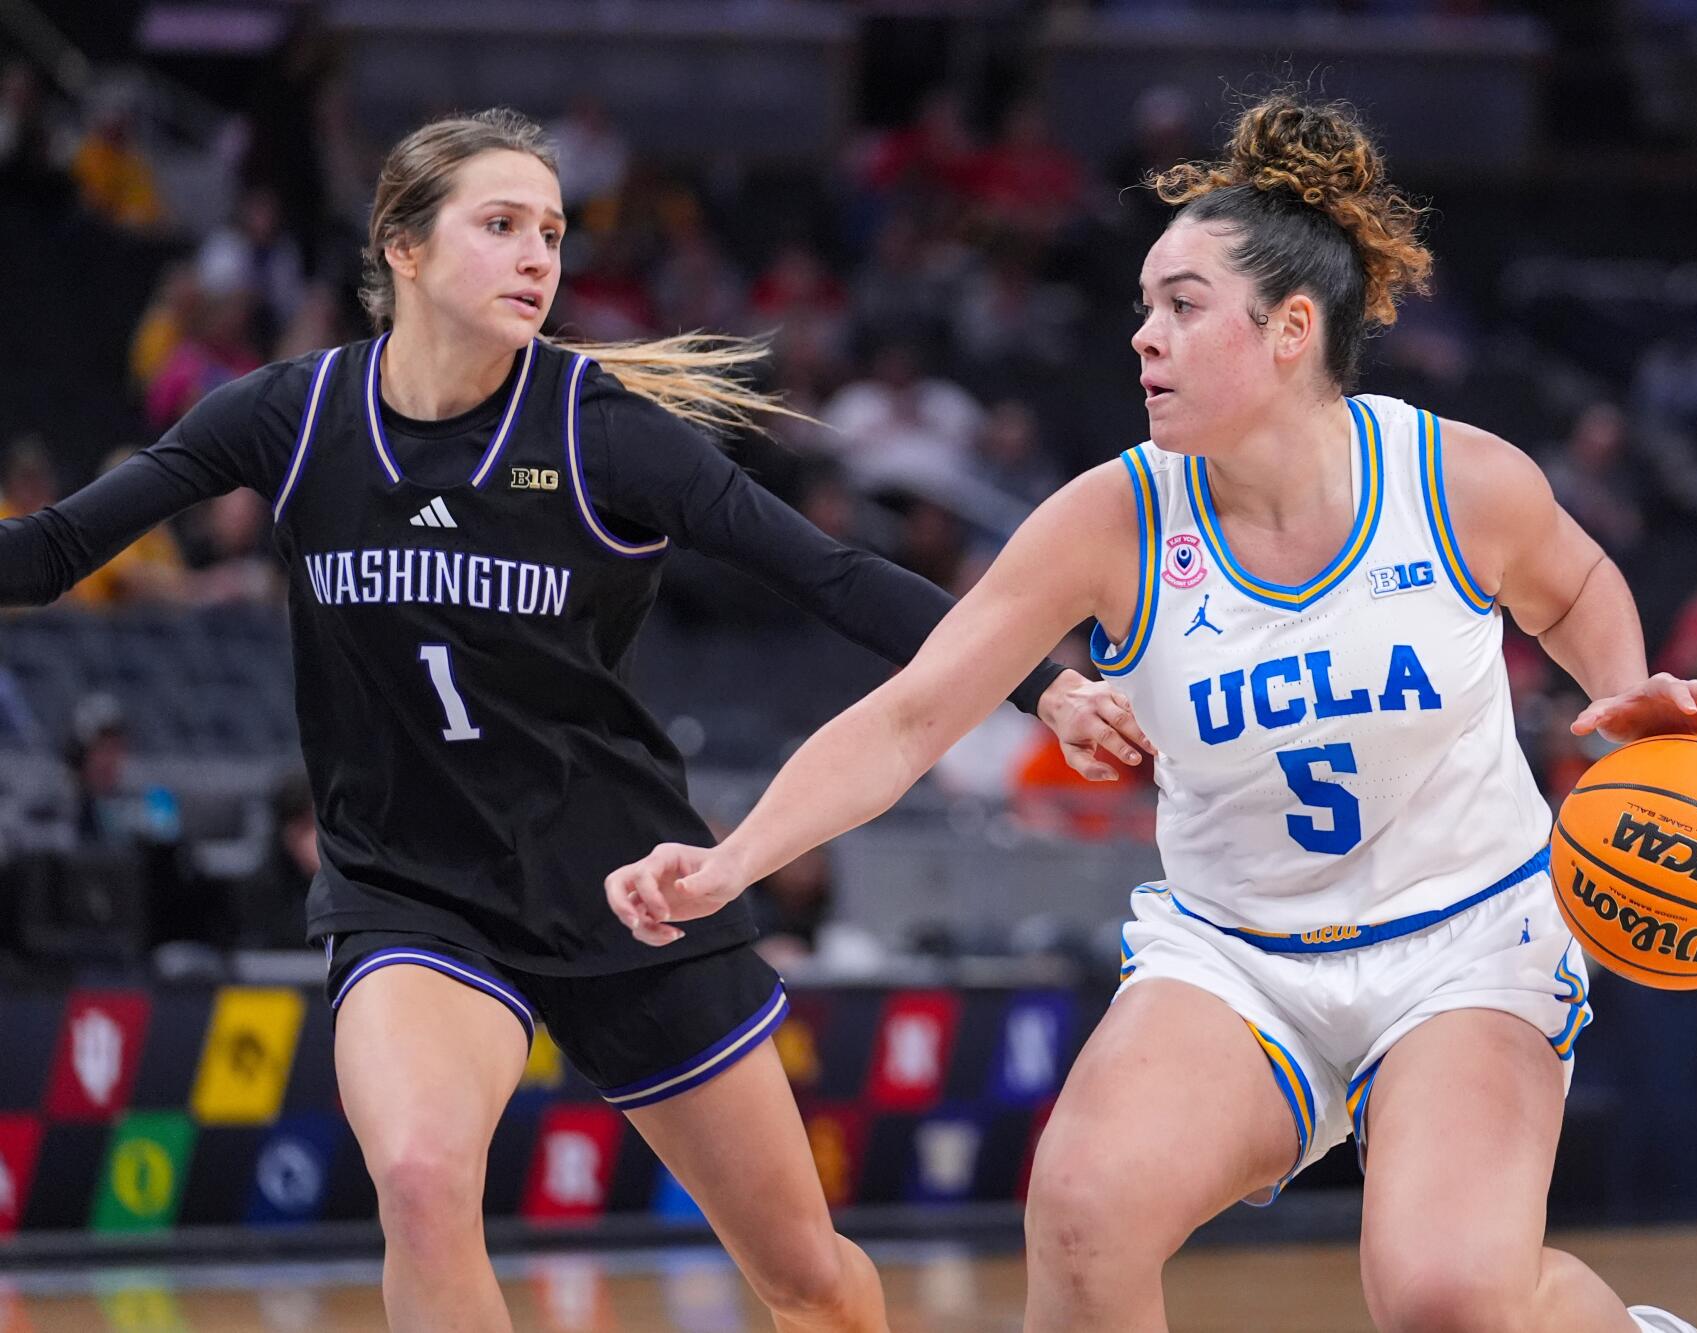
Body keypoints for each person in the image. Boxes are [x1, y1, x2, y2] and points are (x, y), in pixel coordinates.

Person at [606, 91, 1697, 1333]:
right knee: (1080, 1215)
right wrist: (733, 860)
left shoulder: (1455, 479)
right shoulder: (1110, 517)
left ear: (1289, 330)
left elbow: (1577, 581)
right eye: (1143, 306)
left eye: (1180, 306)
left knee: (1444, 1299)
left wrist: (1619, 697)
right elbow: (909, 717)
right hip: (1238, 954)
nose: (1142, 338)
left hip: (1466, 943)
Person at [0, 108, 1144, 1332]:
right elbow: (53, 551)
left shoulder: (602, 431)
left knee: (805, 1277)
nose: (539, 255)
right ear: (403, 247)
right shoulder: (292, 416)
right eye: (499, 226)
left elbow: (834, 575)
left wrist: (1045, 682)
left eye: (551, 230)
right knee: (425, 1179)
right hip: (412, 887)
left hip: (626, 884)